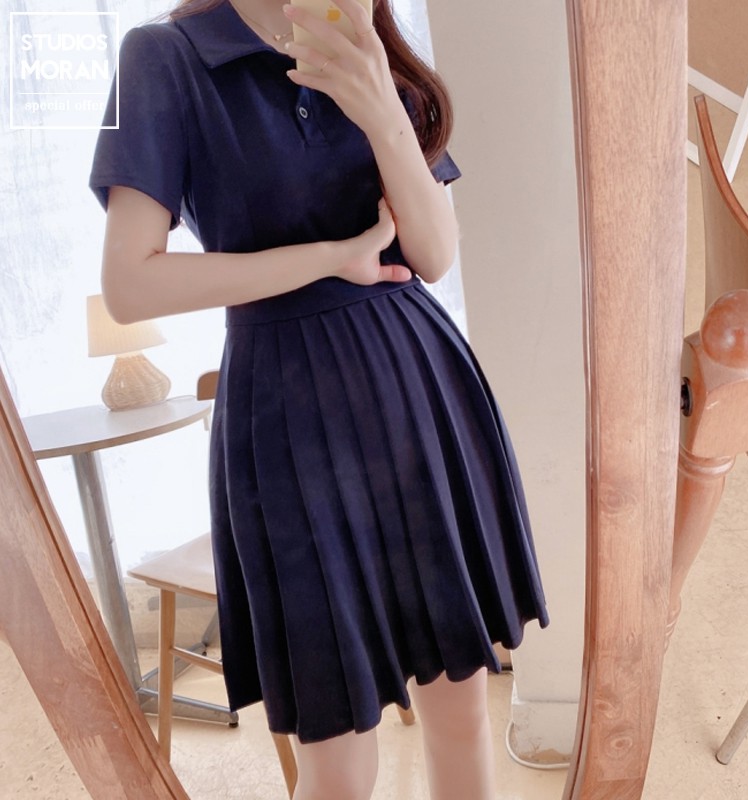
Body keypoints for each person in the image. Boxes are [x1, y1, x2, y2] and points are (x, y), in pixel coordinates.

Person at [88, 1, 549, 797]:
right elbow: (129, 284)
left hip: (418, 394)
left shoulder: (365, 34)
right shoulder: (162, 56)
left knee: (460, 709)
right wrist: (333, 258)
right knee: (337, 754)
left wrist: (379, 106)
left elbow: (434, 252)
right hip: (287, 423)